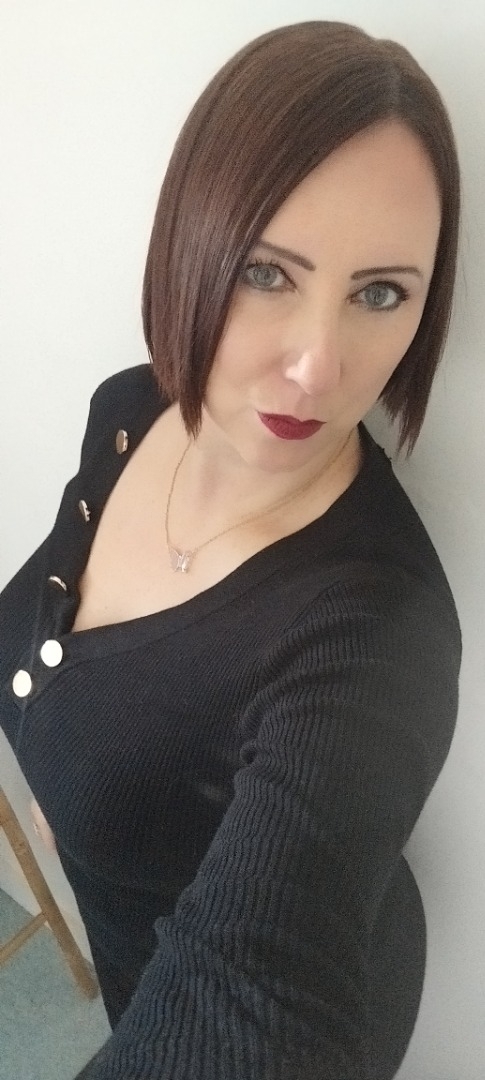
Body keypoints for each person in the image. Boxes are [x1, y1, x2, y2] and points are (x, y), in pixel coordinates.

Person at [0, 19, 462, 1080]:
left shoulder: (372, 640)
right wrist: (64, 787)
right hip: (130, 949)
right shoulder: (132, 411)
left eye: (380, 293)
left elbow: (259, 1001)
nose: (316, 368)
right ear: (190, 241)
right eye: (266, 272)